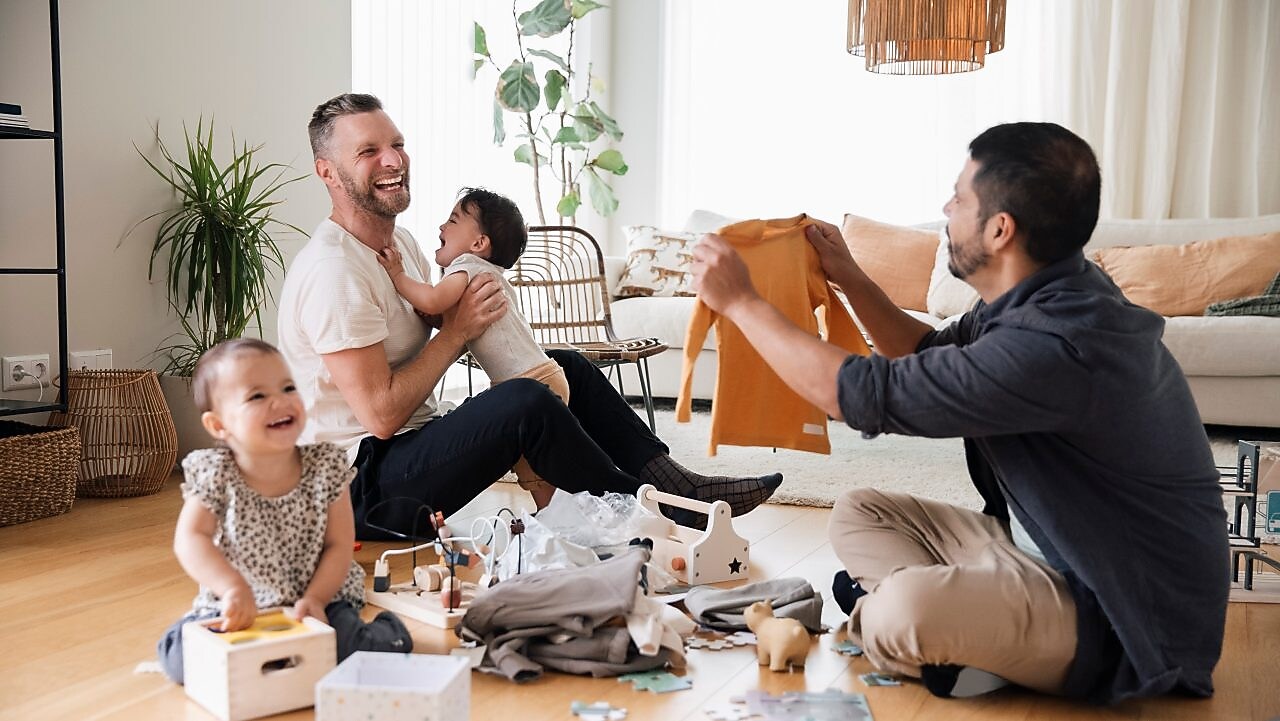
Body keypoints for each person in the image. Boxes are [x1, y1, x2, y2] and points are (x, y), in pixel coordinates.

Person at [690, 122, 1227, 705]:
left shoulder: (1055, 344)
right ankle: (965, 634)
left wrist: (741, 302)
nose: (946, 209)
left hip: (1125, 616)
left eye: (959, 198)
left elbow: (858, 395)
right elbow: (924, 351)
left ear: (1000, 229)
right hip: (1050, 547)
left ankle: (927, 629)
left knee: (904, 611)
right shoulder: (1052, 291)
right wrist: (849, 275)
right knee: (858, 512)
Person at [277, 92, 781, 539]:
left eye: (397, 143)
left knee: (566, 367)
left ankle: (675, 484)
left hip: (407, 448)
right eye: (368, 151)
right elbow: (382, 416)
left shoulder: (402, 245)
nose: (393, 159)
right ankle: (649, 507)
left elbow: (435, 324)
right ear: (327, 172)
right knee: (526, 400)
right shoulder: (334, 270)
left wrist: (474, 328)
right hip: (358, 488)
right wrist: (458, 331)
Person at [156, 339, 411, 684]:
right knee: (180, 660)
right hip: (240, 602)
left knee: (348, 650)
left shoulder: (324, 467)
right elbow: (190, 539)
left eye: (288, 387)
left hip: (316, 598)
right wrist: (231, 589)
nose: (280, 401)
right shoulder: (216, 473)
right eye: (257, 396)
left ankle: (388, 631)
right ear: (218, 425)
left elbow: (339, 545)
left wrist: (316, 599)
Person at [377, 186, 564, 509]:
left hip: (529, 382)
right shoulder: (487, 274)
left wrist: (397, 274)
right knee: (534, 460)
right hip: (544, 374)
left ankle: (557, 509)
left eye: (452, 221)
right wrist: (436, 319)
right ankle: (552, 511)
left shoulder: (467, 265)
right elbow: (455, 323)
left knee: (532, 458)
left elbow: (432, 299)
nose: (441, 227)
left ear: (478, 244)